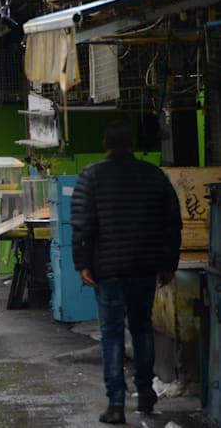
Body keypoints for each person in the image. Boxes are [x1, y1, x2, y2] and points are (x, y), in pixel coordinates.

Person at [71, 120, 181, 424]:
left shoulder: (91, 176)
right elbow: (172, 223)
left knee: (112, 333)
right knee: (142, 328)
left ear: (105, 145)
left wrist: (83, 263)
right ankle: (145, 394)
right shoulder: (154, 175)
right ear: (131, 146)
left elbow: (82, 225)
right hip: (145, 267)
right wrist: (168, 264)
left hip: (108, 270)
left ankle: (116, 403)